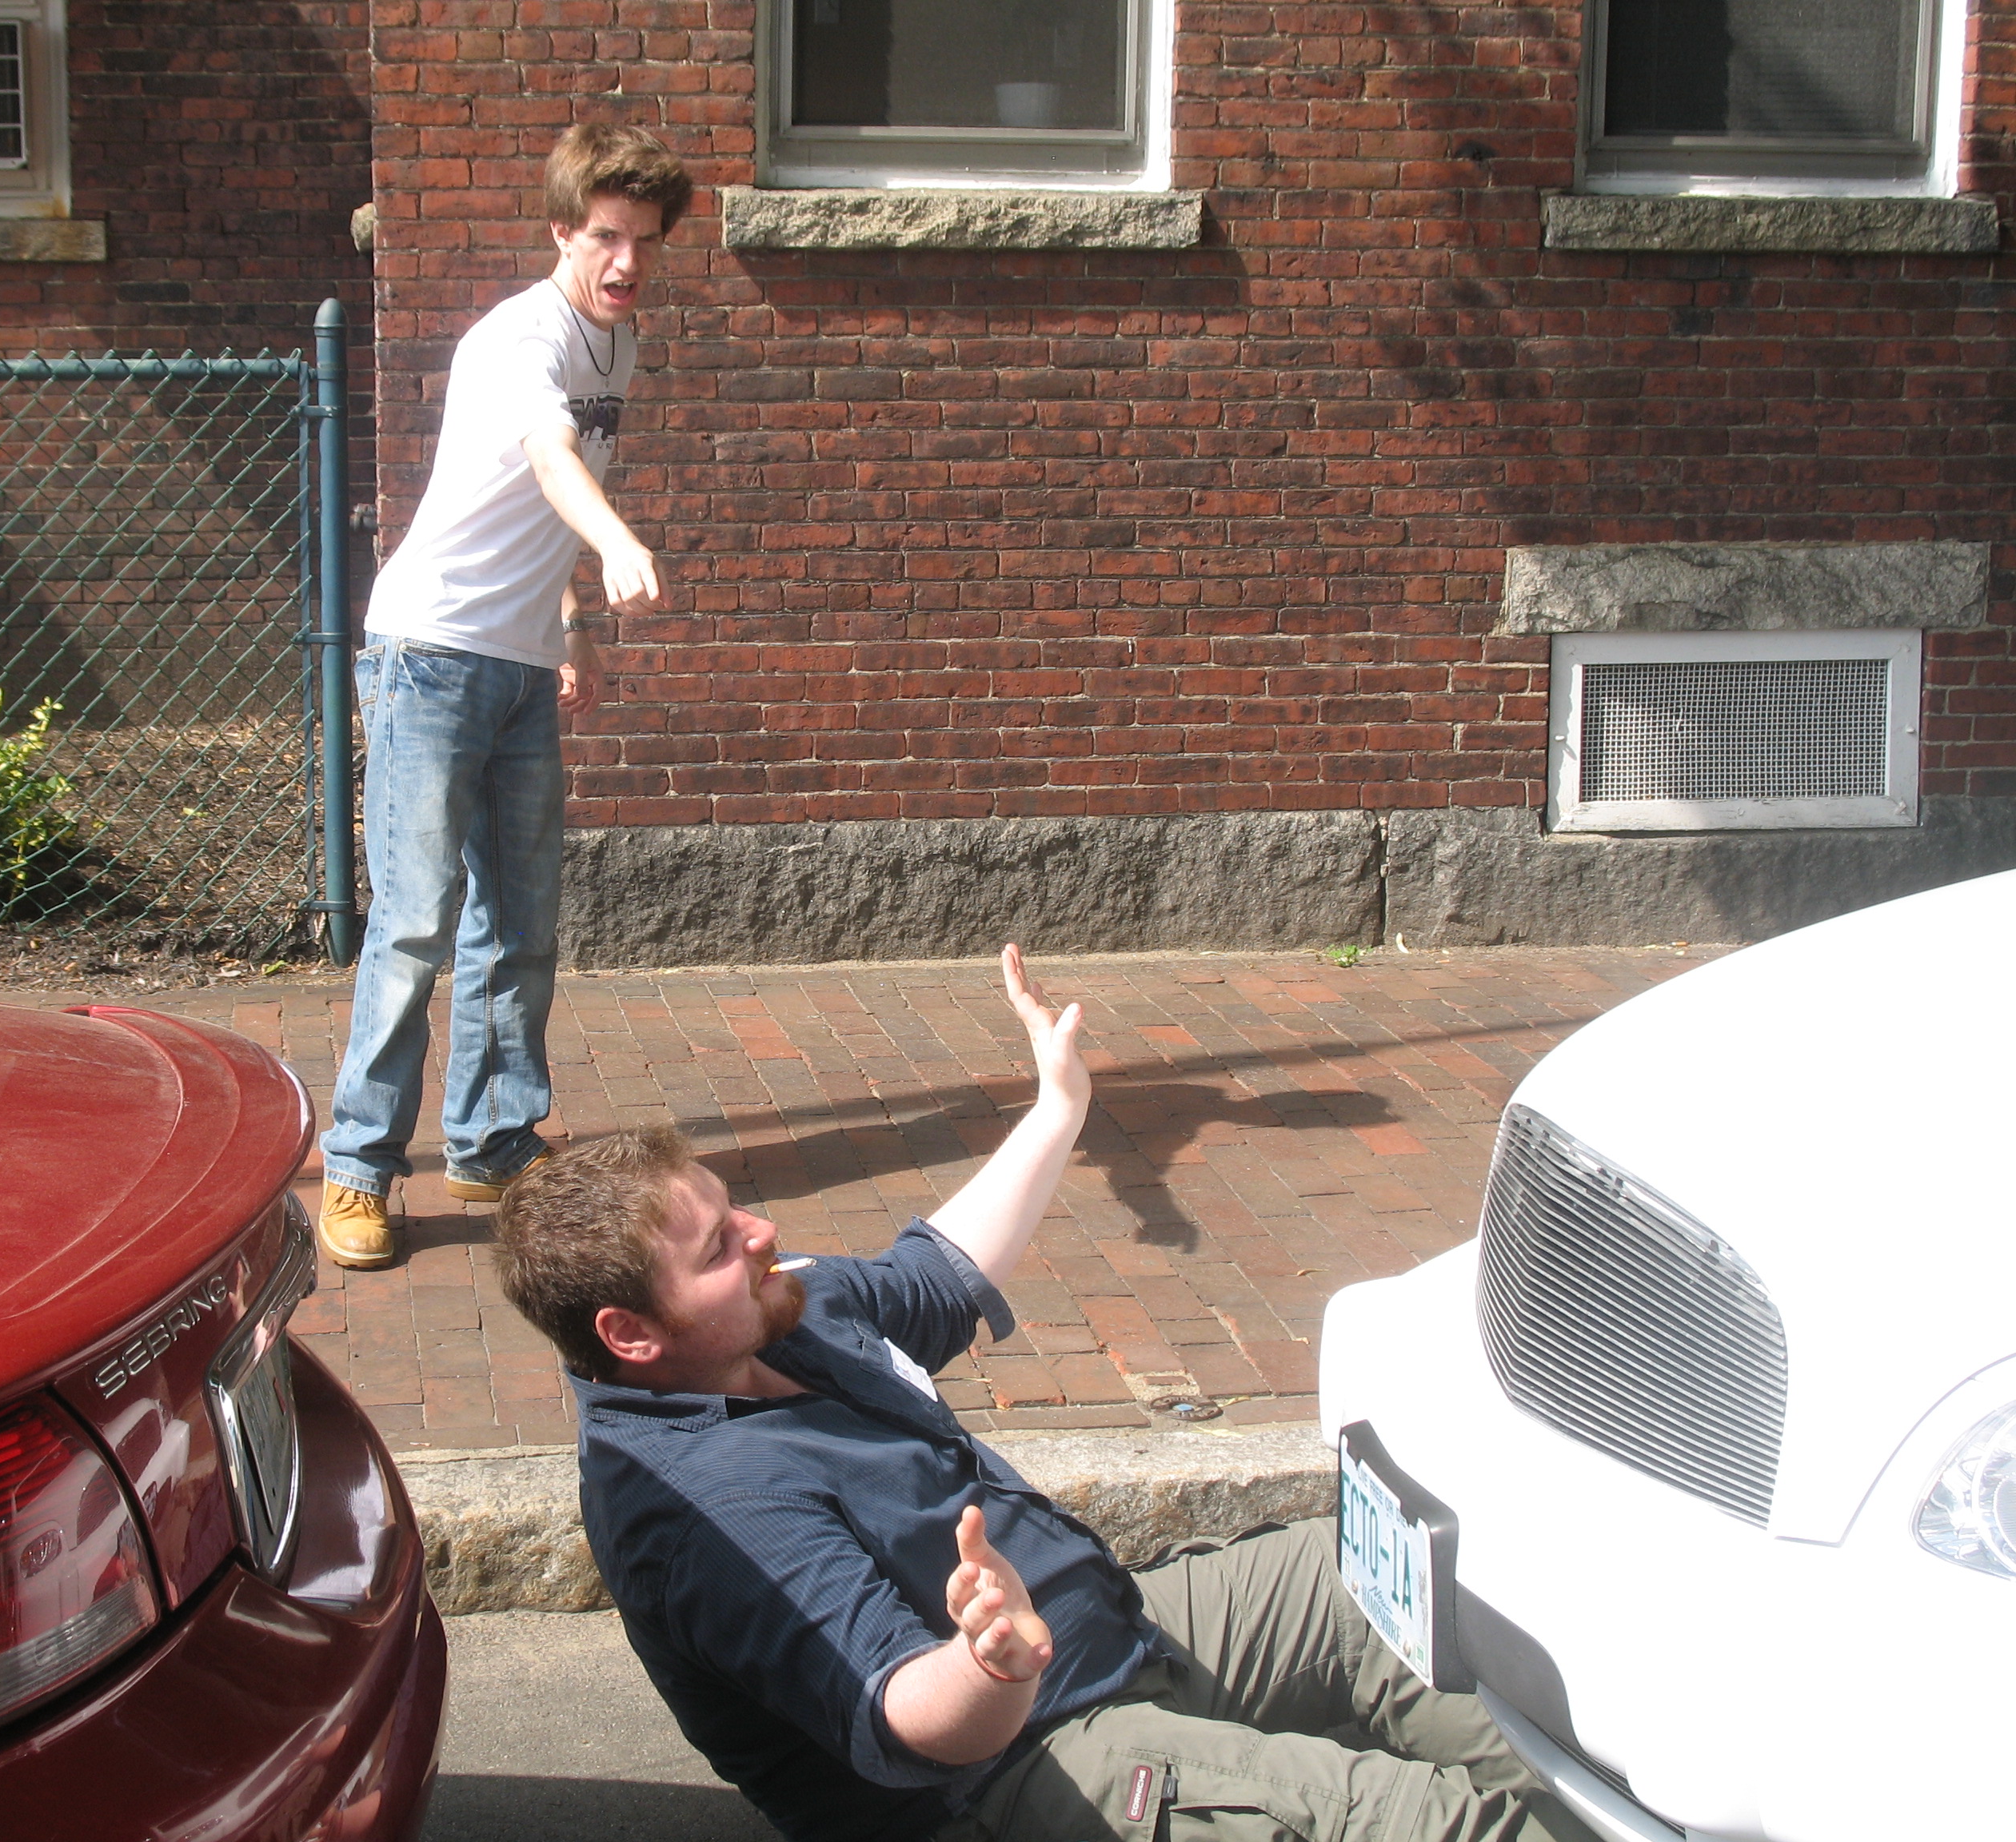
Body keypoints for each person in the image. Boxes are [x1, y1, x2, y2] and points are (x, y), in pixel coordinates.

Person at [493, 947, 1593, 1842]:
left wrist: (1059, 1106)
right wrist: (987, 1662)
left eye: (733, 1207)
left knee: (1383, 1587)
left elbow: (937, 1275)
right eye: (718, 1248)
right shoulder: (703, 1518)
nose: (761, 1232)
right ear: (631, 1335)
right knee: (1421, 1824)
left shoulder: (781, 1311)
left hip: (1115, 1634)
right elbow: (905, 1716)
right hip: (1015, 1774)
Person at [317, 122, 693, 1268]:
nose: (627, 262)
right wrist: (619, 543)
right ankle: (357, 1169)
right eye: (607, 237)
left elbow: (537, 515)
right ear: (563, 233)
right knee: (416, 921)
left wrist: (569, 625)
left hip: (522, 667)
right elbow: (550, 461)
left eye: (645, 241)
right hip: (430, 655)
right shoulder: (519, 339)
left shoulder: (618, 346)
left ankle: (489, 1142)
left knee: (520, 923)